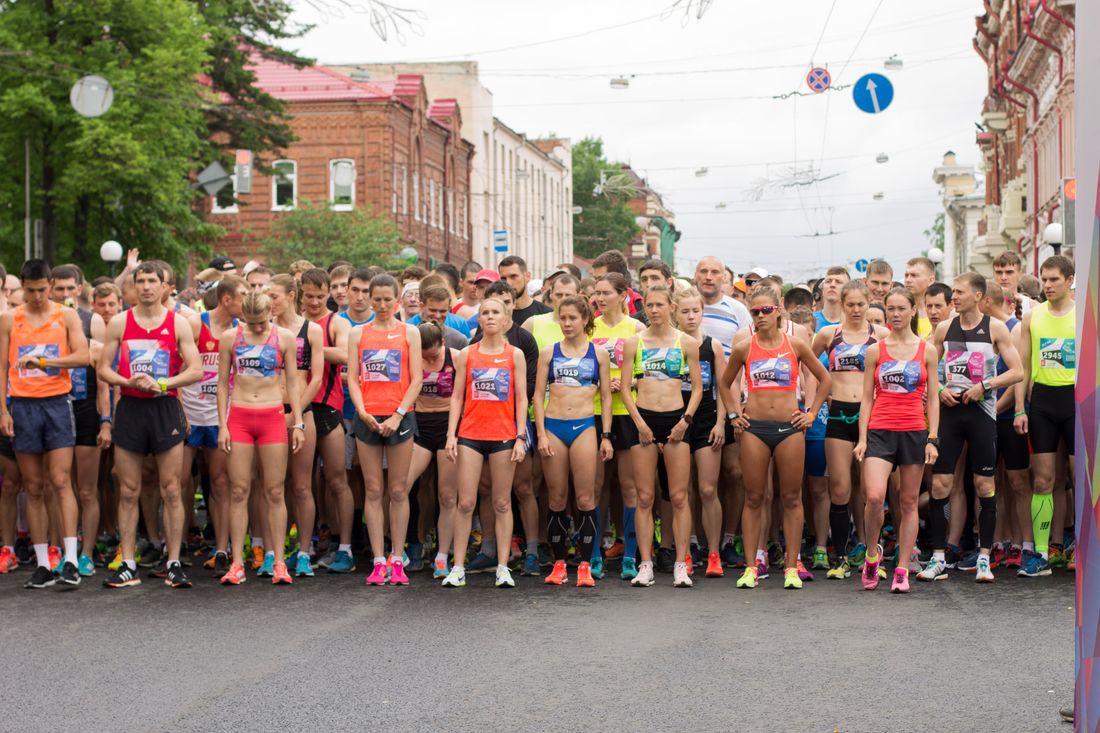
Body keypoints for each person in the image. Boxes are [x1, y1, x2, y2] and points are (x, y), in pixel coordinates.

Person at [98, 261, 202, 589]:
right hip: (130, 408)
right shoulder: (119, 322)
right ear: (133, 286)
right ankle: (128, 563)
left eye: (152, 281)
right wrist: (127, 379)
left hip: (164, 407)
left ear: (165, 286)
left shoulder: (179, 324)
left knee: (171, 488)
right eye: (140, 281)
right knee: (128, 489)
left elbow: (196, 369)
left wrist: (164, 383)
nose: (145, 287)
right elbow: (103, 369)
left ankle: (173, 562)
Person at [720, 285, 831, 590]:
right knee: (755, 497)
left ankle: (792, 567)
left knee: (792, 498)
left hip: (789, 428)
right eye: (755, 312)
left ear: (779, 309)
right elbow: (725, 382)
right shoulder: (745, 347)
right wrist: (733, 415)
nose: (760, 316)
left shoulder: (795, 344)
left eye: (766, 310)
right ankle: (751, 568)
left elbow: (824, 378)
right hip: (755, 428)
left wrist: (810, 412)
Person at [919, 272, 1023, 583]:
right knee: (940, 486)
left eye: (959, 292)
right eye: (953, 292)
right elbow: (927, 369)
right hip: (950, 413)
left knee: (984, 486)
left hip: (981, 412)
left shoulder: (994, 327)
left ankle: (984, 557)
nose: (954, 297)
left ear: (977, 296)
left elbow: (1017, 371)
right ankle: (938, 557)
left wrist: (986, 385)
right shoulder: (943, 328)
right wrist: (938, 390)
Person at [0, 260, 90, 589]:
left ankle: (69, 559)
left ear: (50, 285)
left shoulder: (65, 316)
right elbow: (1, 368)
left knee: (60, 480)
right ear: (22, 287)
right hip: (22, 406)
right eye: (30, 290)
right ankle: (42, 564)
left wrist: (43, 361)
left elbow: (83, 356)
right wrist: (3, 411)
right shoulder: (9, 319)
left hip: (56, 402)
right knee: (33, 486)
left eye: (41, 289)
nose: (36, 296)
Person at [853, 287, 941, 592]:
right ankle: (872, 553)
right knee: (875, 497)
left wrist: (933, 437)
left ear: (913, 311)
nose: (896, 314)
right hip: (880, 430)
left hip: (914, 431)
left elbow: (933, 400)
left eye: (902, 308)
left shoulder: (926, 350)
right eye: (891, 309)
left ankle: (902, 567)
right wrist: (862, 438)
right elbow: (866, 398)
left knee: (907, 501)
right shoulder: (875, 350)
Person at [216, 290, 304, 585]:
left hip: (272, 416)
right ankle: (237, 562)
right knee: (239, 490)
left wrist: (300, 421)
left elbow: (292, 381)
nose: (255, 328)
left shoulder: (285, 338)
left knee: (275, 491)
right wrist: (222, 425)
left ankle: (278, 561)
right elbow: (221, 384)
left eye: (260, 323)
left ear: (271, 315)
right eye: (249, 323)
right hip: (240, 415)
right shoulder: (231, 337)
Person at [441, 296, 528, 588]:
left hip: (504, 436)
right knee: (465, 502)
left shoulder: (514, 354)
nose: (489, 317)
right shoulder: (467, 353)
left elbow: (521, 398)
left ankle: (503, 566)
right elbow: (456, 397)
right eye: (484, 312)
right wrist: (451, 434)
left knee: (502, 502)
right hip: (470, 435)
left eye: (495, 312)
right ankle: (458, 567)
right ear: (479, 319)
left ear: (506, 319)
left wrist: (520, 435)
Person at [620, 286, 703, 588]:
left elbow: (696, 388)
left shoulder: (687, 343)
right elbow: (627, 387)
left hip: (676, 420)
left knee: (679, 496)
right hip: (643, 420)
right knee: (645, 497)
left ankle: (681, 563)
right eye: (649, 305)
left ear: (671, 306)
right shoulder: (634, 342)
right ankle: (646, 563)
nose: (654, 310)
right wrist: (640, 423)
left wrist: (685, 421)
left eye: (660, 305)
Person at [346, 274, 423, 586]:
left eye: (386, 299)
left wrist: (397, 414)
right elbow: (352, 377)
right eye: (375, 299)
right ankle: (378, 560)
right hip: (367, 417)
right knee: (373, 489)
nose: (380, 305)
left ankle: (397, 557)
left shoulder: (411, 333)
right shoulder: (357, 334)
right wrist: (362, 412)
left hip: (400, 416)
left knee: (398, 489)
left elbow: (416, 378)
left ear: (397, 300)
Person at [811, 280, 889, 579]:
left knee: (871, 491)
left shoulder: (880, 335)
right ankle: (841, 558)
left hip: (871, 417)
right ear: (842, 305)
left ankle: (871, 553)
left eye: (861, 304)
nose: (856, 310)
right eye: (850, 304)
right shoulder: (829, 334)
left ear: (869, 303)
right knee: (840, 489)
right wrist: (820, 395)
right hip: (839, 415)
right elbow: (806, 361)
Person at [533, 296, 613, 587]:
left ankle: (584, 564)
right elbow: (538, 396)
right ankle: (558, 564)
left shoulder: (599, 354)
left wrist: (606, 435)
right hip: (554, 427)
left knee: (585, 498)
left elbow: (605, 397)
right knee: (556, 498)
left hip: (584, 428)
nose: (566, 324)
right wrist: (541, 434)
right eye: (562, 318)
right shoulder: (548, 353)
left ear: (585, 320)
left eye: (572, 318)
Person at [1015, 255, 1076, 578]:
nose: (1048, 285)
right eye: (1044, 279)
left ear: (1069, 280)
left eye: (1054, 279)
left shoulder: (1085, 315)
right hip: (1043, 402)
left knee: (1082, 480)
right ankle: (1041, 553)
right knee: (1043, 480)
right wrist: (1020, 408)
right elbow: (1022, 365)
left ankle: (1084, 547)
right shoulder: (1032, 317)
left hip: (1078, 401)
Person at [179, 276, 244, 576]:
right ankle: (176, 549)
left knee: (220, 483)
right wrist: (181, 412)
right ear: (227, 299)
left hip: (221, 415)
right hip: (191, 412)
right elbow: (175, 367)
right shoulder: (196, 324)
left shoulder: (240, 331)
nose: (249, 300)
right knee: (179, 482)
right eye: (243, 295)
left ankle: (221, 549)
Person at [49, 265, 109, 576]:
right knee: (61, 485)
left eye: (70, 288)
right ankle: (65, 549)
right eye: (58, 289)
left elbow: (103, 377)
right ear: (50, 289)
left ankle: (87, 551)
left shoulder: (93, 320)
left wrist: (106, 420)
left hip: (86, 411)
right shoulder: (43, 320)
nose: (65, 294)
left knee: (86, 489)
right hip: (54, 408)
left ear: (81, 287)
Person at [299, 268, 355, 573]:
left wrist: (312, 345)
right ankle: (304, 547)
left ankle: (344, 546)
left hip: (328, 406)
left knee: (336, 479)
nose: (316, 301)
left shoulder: (336, 321)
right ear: (300, 293)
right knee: (301, 483)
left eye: (321, 296)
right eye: (310, 296)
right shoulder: (294, 324)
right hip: (298, 406)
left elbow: (346, 354)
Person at [590, 273, 646, 579]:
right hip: (595, 411)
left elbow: (646, 372)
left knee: (629, 486)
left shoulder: (636, 328)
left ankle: (629, 554)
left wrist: (626, 382)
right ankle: (595, 552)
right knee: (596, 486)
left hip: (628, 411)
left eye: (606, 293)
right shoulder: (590, 328)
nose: (600, 298)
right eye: (597, 293)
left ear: (623, 295)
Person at [269, 274, 325, 576]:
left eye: (274, 296)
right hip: (268, 411)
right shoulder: (262, 329)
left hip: (301, 412)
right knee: (272, 486)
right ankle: (271, 550)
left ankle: (305, 550)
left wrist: (298, 413)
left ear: (291, 296)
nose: (269, 302)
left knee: (302, 485)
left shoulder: (311, 330)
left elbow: (316, 377)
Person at [673, 287, 728, 578]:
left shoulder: (713, 346)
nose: (691, 316)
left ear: (702, 312)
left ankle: (714, 552)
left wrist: (721, 423)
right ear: (675, 313)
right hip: (676, 418)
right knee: (684, 491)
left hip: (707, 418)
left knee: (708, 488)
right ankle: (690, 546)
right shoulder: (670, 343)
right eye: (685, 311)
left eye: (696, 311)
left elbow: (723, 388)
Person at [981, 282, 1031, 569]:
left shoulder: (1015, 327)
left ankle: (1024, 543)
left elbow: (1018, 376)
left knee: (1018, 482)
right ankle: (998, 542)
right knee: (992, 482)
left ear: (987, 301)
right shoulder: (980, 330)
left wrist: (996, 409)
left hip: (1007, 414)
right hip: (985, 417)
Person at [405, 323, 460, 578]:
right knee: (401, 487)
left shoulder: (455, 357)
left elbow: (465, 395)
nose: (429, 360)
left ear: (442, 343)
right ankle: (399, 549)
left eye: (434, 356)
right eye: (424, 356)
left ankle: (442, 556)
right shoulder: (411, 356)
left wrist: (455, 434)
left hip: (448, 425)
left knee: (447, 496)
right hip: (421, 426)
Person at [498, 255, 551, 327]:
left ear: (527, 276)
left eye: (513, 276)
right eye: (503, 279)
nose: (508, 283)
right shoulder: (494, 315)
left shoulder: (545, 314)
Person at [991, 251, 1036, 315]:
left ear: (1020, 274)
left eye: (1009, 272)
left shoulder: (1032, 306)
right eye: (999, 272)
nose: (1003, 277)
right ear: (993, 274)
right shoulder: (983, 305)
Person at [903, 257, 937, 339]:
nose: (908, 280)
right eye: (906, 275)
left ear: (931, 280)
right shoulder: (900, 311)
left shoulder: (941, 312)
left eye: (914, 275)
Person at [814, 266, 850, 332]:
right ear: (822, 289)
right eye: (828, 281)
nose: (832, 285)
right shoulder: (811, 320)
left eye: (838, 282)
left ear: (848, 290)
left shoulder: (854, 321)